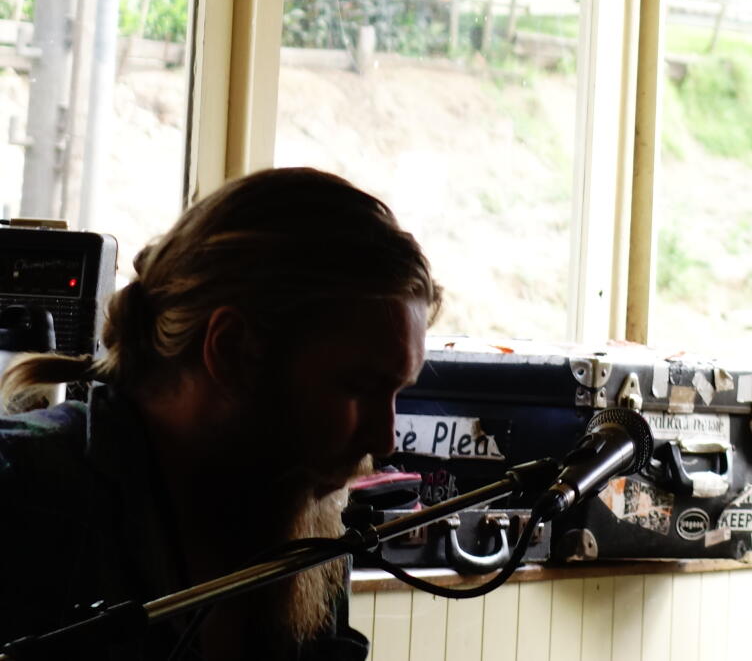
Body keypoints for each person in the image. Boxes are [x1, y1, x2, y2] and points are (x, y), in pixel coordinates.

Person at [0, 168, 440, 660]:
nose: (384, 439)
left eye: (396, 392)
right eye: (357, 386)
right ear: (231, 350)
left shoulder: (303, 519)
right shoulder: (24, 499)